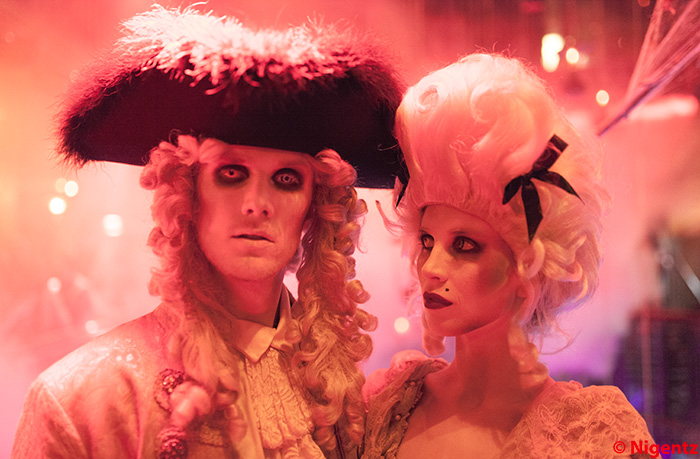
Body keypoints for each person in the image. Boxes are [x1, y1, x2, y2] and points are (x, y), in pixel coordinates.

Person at [12, 5, 404, 459]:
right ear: (190, 195)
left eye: (286, 179)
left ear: (313, 209)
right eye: (231, 174)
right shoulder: (86, 398)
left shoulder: (337, 394)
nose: (257, 203)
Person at [361, 53, 655, 458]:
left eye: (464, 245)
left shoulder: (594, 434)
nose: (431, 268)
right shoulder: (388, 403)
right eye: (427, 241)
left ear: (527, 266)